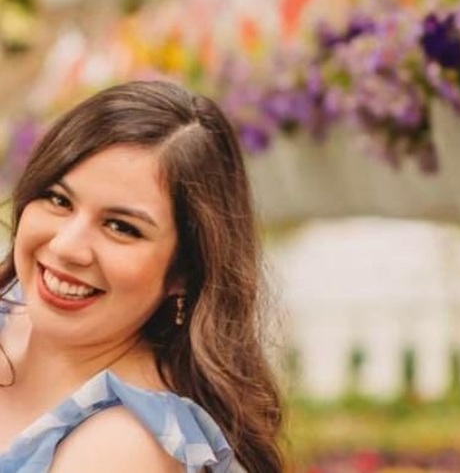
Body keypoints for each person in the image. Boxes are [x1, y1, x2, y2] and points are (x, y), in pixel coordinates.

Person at [0, 80, 285, 472]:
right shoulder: (10, 312)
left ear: (184, 271)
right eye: (58, 199)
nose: (66, 246)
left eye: (121, 227)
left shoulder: (123, 448)